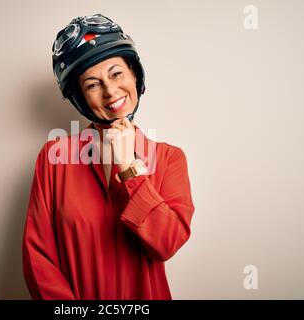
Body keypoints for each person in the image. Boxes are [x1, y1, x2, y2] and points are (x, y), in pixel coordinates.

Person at [22, 13, 195, 300]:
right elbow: (37, 256)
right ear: (80, 98)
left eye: (117, 74)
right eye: (92, 84)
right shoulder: (54, 158)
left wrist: (128, 169)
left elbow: (166, 244)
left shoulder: (170, 158)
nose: (110, 91)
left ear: (134, 75)